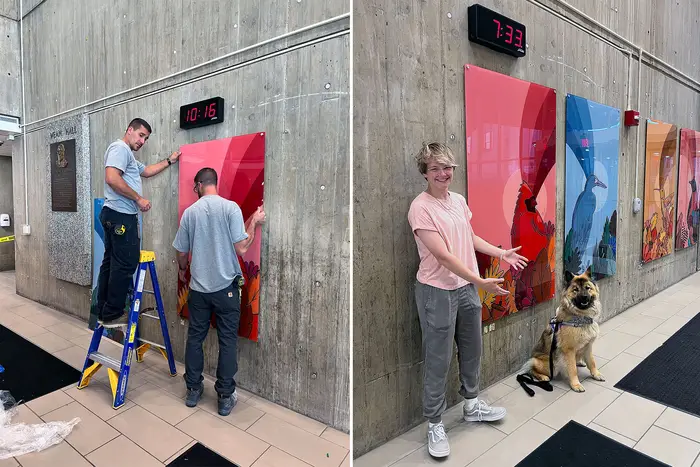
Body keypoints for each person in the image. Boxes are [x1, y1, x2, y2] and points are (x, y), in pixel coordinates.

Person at [407, 143, 528, 458]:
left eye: (447, 168)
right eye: (435, 169)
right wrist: (479, 281)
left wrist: (500, 252)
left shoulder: (457, 201)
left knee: (473, 348)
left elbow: (468, 237)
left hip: (466, 287)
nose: (443, 174)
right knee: (438, 358)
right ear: (425, 173)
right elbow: (443, 256)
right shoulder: (420, 207)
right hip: (437, 290)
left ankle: (472, 405)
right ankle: (434, 422)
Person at [173, 167, 266, 416]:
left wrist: (183, 270)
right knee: (227, 342)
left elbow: (182, 252)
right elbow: (242, 248)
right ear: (213, 183)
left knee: (195, 338)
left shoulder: (190, 213)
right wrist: (254, 222)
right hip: (226, 290)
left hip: (199, 291)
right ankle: (225, 397)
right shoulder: (230, 208)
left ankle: (193, 391)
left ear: (199, 185)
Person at [97, 118, 181, 328]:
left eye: (146, 138)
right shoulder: (120, 148)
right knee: (125, 262)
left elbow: (147, 171)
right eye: (141, 135)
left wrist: (169, 161)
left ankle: (104, 310)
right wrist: (138, 198)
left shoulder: (130, 158)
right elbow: (111, 178)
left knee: (111, 262)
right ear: (130, 130)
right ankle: (113, 314)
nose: (143, 141)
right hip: (121, 215)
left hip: (114, 215)